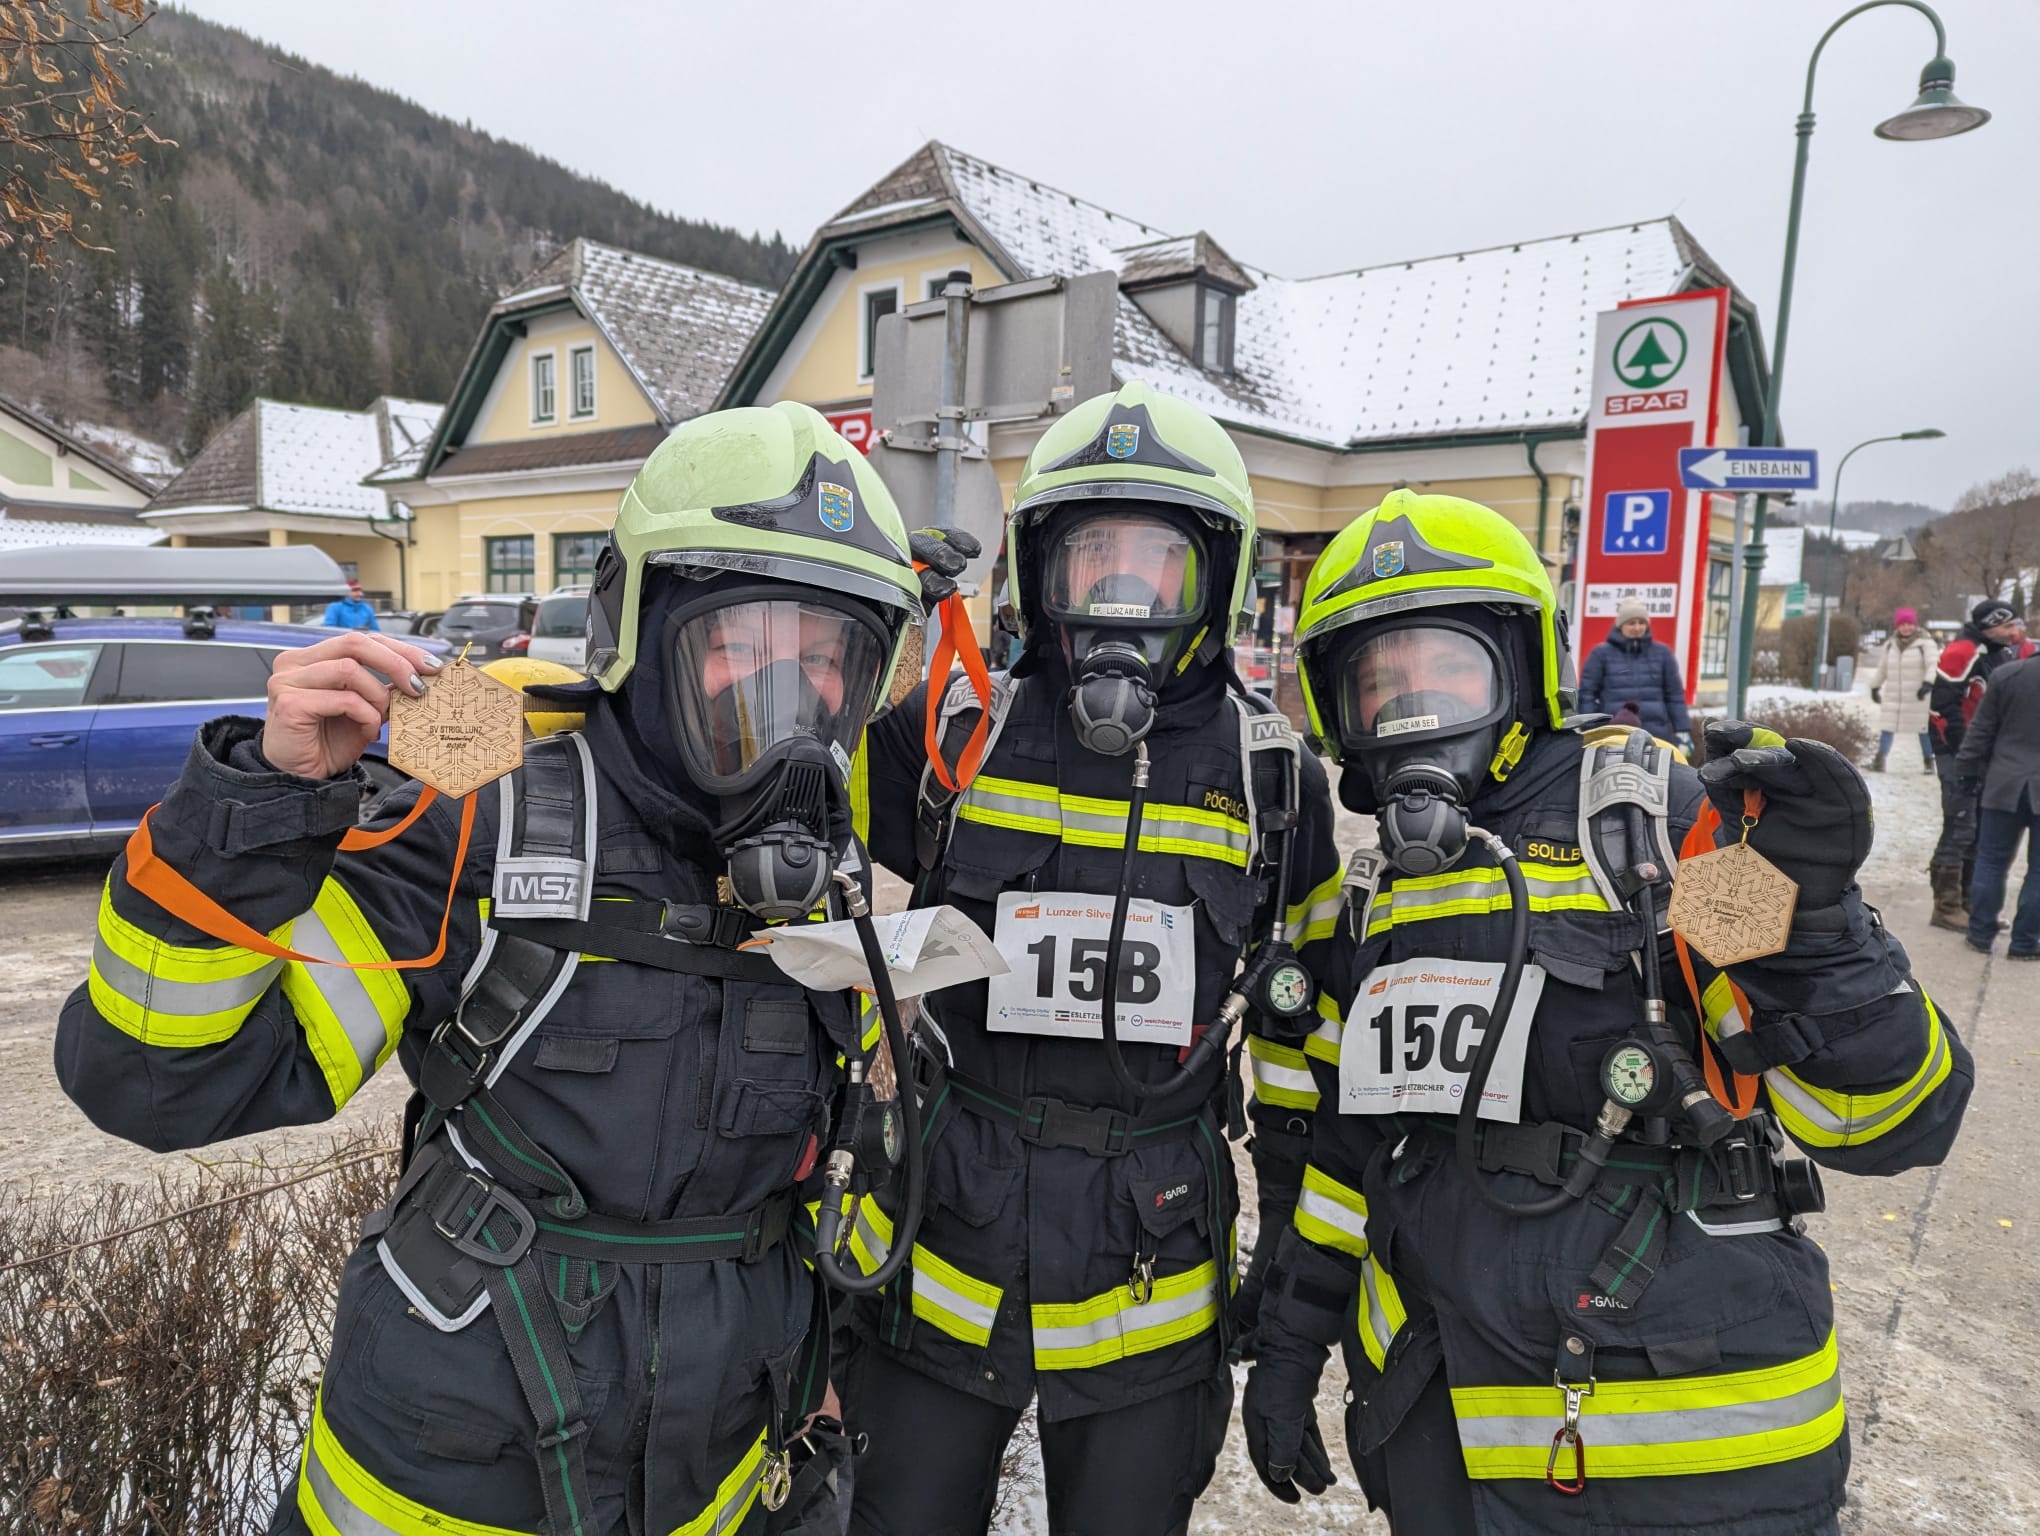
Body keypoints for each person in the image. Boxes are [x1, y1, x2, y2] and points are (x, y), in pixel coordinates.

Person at [55, 403, 925, 1536]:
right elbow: (160, 1082)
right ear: (641, 623)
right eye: (742, 643)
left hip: (724, 1463)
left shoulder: (821, 864)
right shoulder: (489, 796)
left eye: (825, 658)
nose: (787, 699)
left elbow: (811, 1172)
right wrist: (260, 810)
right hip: (453, 1463)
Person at [1239, 491, 1971, 1535]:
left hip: (1690, 1454)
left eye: (1444, 668)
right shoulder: (1384, 894)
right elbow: (1360, 1147)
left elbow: (1895, 1119)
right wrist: (1296, 1340)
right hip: (1441, 1424)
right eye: (1377, 682)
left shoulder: (1647, 826)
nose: (1411, 707)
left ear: (1520, 663)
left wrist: (1816, 927)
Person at [842, 383, 1342, 1536]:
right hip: (941, 1251)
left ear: (1212, 582)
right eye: (1090, 559)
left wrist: (1292, 1279)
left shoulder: (1274, 784)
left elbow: (1307, 1041)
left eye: (1154, 564)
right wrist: (875, 626)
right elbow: (768, 770)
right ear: (1039, 575)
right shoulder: (956, 728)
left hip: (1149, 1278)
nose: (1121, 595)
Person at [1927, 598, 2036, 931]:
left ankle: (1970, 901)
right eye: (2008, 626)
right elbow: (1943, 708)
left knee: (1977, 829)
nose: (2016, 631)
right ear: (1991, 627)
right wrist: (1964, 756)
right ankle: (1945, 906)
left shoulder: (2000, 654)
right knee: (1960, 826)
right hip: (1956, 751)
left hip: (1985, 753)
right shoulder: (1962, 651)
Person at [1955, 651, 2040, 959]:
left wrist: (1965, 770)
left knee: (1990, 861)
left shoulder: (2008, 675)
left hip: (2004, 783)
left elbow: (1981, 730)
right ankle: (2026, 942)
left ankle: (1980, 934)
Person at [1577, 596, 1692, 749]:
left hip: (1657, 735)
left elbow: (1675, 695)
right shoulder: (1600, 654)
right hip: (1615, 735)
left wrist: (1682, 730)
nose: (1637, 627)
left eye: (1642, 622)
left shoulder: (1663, 654)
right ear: (1620, 625)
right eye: (1631, 623)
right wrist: (1591, 729)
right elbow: (1587, 695)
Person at [1868, 607, 1939, 773]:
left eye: (1909, 624)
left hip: (1918, 695)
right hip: (1894, 695)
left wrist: (1928, 683)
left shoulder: (1926, 644)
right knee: (1887, 727)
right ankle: (1880, 760)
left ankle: (1929, 762)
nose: (1906, 628)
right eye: (1903, 624)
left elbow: (1932, 665)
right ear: (1897, 626)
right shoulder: (1890, 646)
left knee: (1923, 729)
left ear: (1915, 625)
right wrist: (1875, 686)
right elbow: (1882, 669)